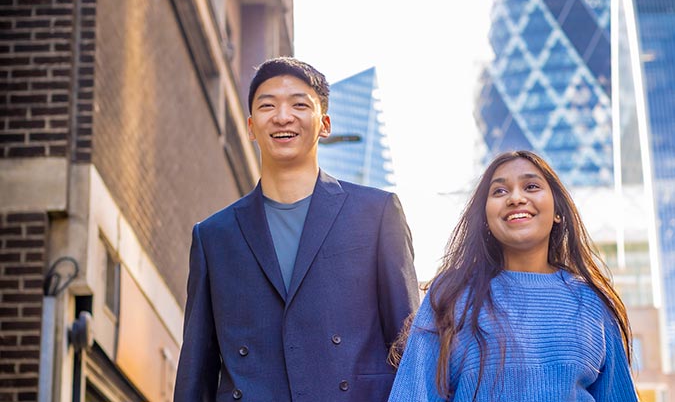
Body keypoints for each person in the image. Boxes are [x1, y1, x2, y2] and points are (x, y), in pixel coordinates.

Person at [174, 57, 420, 402]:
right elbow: (195, 371)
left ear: (325, 123)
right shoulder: (214, 236)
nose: (283, 116)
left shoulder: (377, 213)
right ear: (250, 126)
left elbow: (410, 349)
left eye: (299, 104)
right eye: (267, 105)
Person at [388, 150, 638, 401]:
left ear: (558, 213)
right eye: (499, 191)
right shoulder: (451, 295)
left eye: (531, 186)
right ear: (485, 218)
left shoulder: (594, 304)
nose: (516, 198)